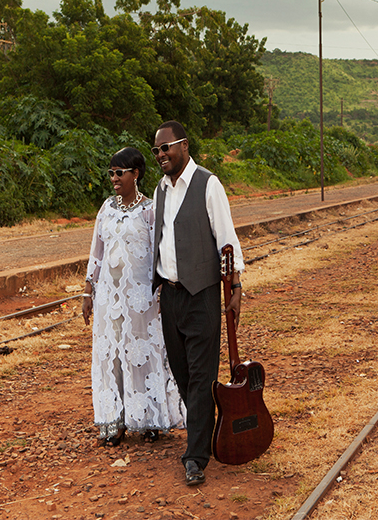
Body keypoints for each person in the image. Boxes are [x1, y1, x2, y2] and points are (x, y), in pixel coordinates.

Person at [151, 120, 244, 486]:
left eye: (166, 148)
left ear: (184, 146)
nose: (161, 155)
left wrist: (236, 286)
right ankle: (210, 429)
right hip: (171, 295)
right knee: (183, 373)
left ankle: (195, 457)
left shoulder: (209, 184)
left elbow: (227, 238)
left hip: (202, 294)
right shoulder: (160, 189)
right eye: (157, 150)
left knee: (202, 376)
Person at [83, 146, 185, 446]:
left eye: (119, 173)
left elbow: (161, 252)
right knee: (111, 356)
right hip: (108, 299)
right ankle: (114, 422)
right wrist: (88, 290)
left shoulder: (150, 209)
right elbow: (97, 253)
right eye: (111, 173)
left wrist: (163, 290)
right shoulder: (106, 208)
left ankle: (150, 418)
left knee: (142, 353)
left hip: (142, 297)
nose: (114, 178)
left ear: (135, 174)